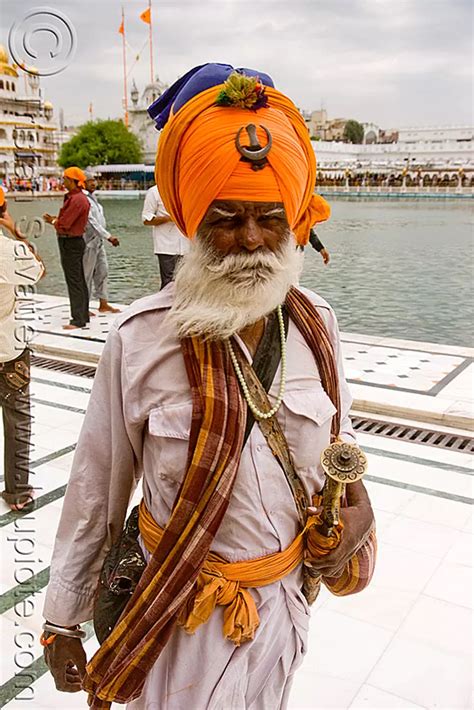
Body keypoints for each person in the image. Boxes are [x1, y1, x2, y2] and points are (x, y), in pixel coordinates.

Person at [42, 64, 376, 709]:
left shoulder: (319, 327)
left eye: (269, 219)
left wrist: (357, 515)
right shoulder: (139, 339)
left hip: (280, 609)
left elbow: (341, 454)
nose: (250, 240)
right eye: (226, 219)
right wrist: (61, 618)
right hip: (173, 615)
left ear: (293, 221)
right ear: (192, 221)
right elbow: (96, 487)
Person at [0, 188, 44, 510]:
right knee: (17, 418)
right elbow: (39, 269)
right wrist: (14, 229)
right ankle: (17, 493)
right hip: (8, 348)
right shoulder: (11, 251)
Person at [43, 167, 90, 330]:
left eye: (65, 179)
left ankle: (78, 319)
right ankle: (82, 315)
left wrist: (53, 222)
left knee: (74, 281)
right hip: (74, 241)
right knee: (79, 279)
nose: (63, 182)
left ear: (72, 181)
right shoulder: (77, 198)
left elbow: (65, 224)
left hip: (70, 243)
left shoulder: (77, 200)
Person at [82, 170, 121, 314]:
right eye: (90, 181)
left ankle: (103, 303)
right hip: (88, 242)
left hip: (98, 242)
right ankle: (83, 307)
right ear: (83, 183)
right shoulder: (84, 199)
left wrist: (105, 237)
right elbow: (91, 222)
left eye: (94, 180)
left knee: (103, 271)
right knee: (86, 274)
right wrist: (108, 236)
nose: (94, 183)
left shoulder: (94, 198)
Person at [142, 183, 189, 288]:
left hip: (188, 247)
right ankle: (167, 305)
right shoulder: (155, 191)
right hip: (166, 246)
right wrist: (170, 218)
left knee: (187, 284)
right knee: (168, 285)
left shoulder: (188, 190)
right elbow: (146, 219)